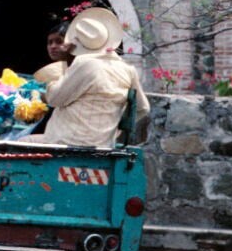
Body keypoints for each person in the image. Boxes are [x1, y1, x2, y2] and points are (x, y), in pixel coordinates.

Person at [37, 8, 150, 147]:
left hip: (67, 142)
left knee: (22, 141)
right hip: (104, 144)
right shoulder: (128, 69)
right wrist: (114, 127)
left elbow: (54, 99)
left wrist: (54, 75)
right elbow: (143, 108)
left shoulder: (84, 63)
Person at [32, 20, 74, 87]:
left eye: (59, 42)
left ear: (72, 43)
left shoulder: (79, 71)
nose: (53, 46)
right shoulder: (49, 73)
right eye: (50, 42)